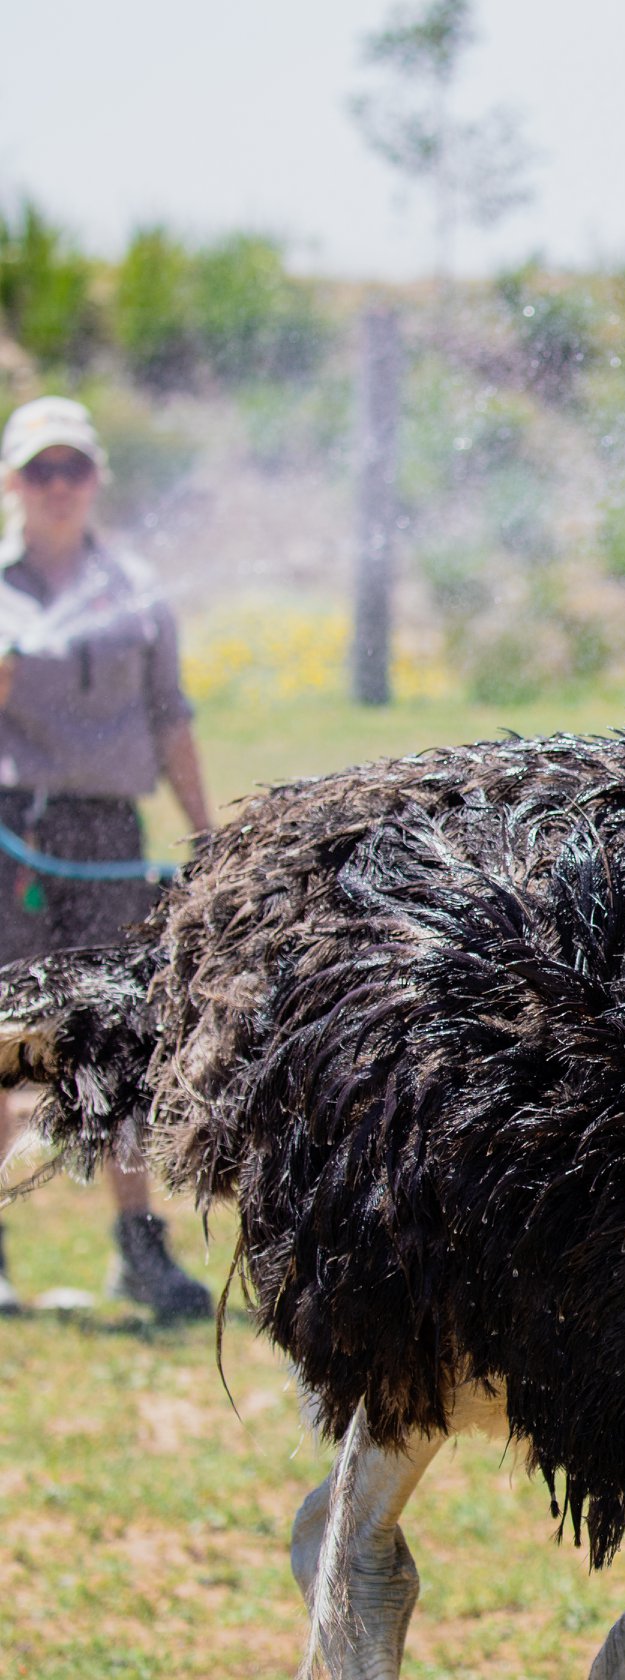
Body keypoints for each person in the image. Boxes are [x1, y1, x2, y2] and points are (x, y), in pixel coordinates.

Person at [0, 396, 214, 1320]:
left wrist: (209, 839)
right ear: (12, 481)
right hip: (16, 836)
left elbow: (172, 717)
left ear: (95, 481)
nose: (58, 488)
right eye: (39, 471)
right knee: (10, 1045)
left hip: (111, 841)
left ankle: (139, 1248)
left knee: (120, 1044)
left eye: (73, 470)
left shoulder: (134, 589)